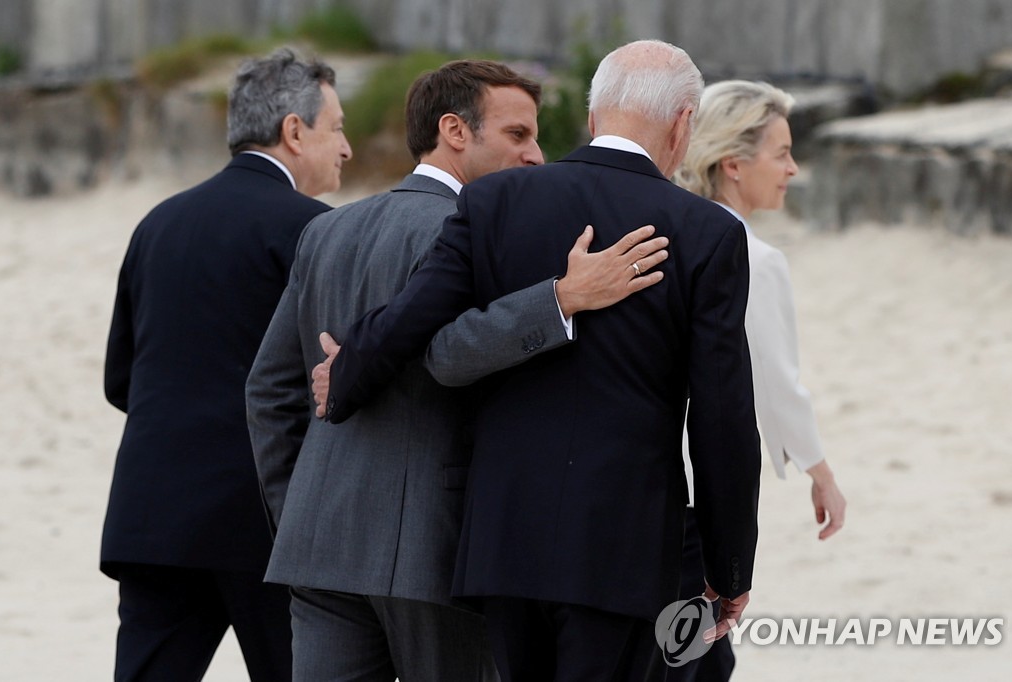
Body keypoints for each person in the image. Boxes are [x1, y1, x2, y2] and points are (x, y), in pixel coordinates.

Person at [320, 40, 762, 681]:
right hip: (622, 548)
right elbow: (722, 415)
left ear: (592, 119)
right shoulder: (706, 232)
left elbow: (415, 316)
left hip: (503, 542)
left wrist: (346, 375)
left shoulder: (495, 201)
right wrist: (728, 568)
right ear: (683, 122)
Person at [245, 59, 667, 682]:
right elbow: (453, 351)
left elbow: (268, 392)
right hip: (435, 550)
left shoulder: (326, 230)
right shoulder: (484, 231)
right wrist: (562, 299)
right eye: (518, 135)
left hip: (317, 547)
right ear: (455, 131)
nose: (535, 157)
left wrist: (298, 511)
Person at [101, 48, 351, 682]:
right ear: (295, 131)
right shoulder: (312, 230)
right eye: (338, 127)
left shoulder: (157, 223)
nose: (345, 148)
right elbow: (339, 376)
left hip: (152, 513)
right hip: (267, 521)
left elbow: (120, 380)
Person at [669, 79, 847, 680]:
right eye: (782, 153)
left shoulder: (667, 232)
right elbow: (772, 380)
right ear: (733, 165)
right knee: (700, 661)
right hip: (696, 496)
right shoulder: (752, 256)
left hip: (631, 488)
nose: (793, 169)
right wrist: (821, 472)